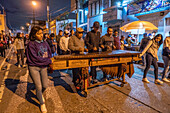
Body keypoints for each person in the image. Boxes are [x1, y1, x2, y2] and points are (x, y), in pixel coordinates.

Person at [26, 26, 52, 113]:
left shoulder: (45, 42)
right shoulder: (31, 44)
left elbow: (49, 53)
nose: (41, 35)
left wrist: (49, 60)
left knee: (45, 85)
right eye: (39, 34)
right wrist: (48, 60)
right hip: (34, 67)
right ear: (34, 35)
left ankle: (38, 94)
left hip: (43, 67)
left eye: (42, 33)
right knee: (39, 86)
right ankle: (41, 103)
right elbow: (35, 58)